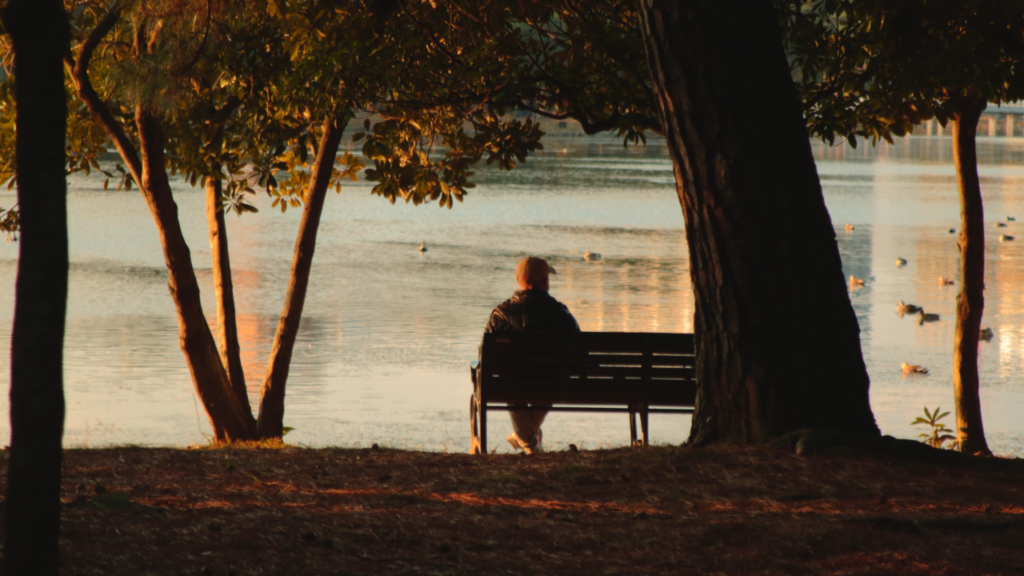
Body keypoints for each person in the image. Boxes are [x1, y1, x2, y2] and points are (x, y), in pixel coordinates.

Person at [483, 256, 580, 454]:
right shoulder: (562, 314)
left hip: (510, 385)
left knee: (510, 382)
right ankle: (532, 444)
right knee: (550, 378)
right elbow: (579, 353)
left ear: (520, 281)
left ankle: (530, 446)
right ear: (546, 282)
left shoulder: (499, 314)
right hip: (551, 384)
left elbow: (489, 358)